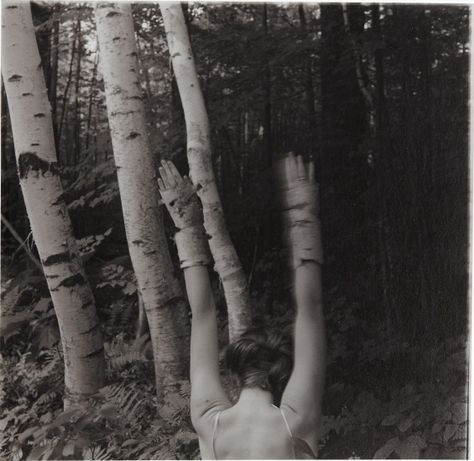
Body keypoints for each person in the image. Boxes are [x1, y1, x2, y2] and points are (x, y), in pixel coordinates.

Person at [158, 153, 326, 459]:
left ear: (238, 370)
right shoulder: (295, 422)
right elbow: (311, 311)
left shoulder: (211, 422)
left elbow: (202, 315)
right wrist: (304, 218)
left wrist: (187, 226)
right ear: (282, 373)